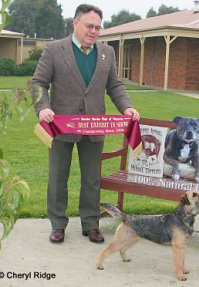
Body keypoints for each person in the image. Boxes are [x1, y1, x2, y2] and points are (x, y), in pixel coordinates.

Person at [30, 4, 140, 244]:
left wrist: (126, 107)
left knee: (92, 179)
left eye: (98, 27)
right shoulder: (54, 50)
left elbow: (115, 85)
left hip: (94, 126)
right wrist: (43, 107)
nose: (94, 31)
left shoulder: (107, 52)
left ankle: (91, 224)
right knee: (58, 177)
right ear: (75, 23)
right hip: (61, 126)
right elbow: (38, 82)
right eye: (89, 26)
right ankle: (58, 224)